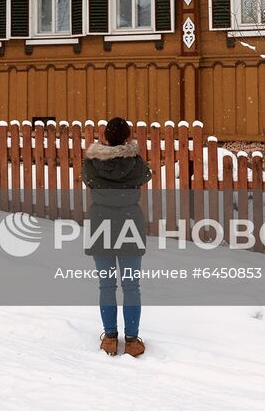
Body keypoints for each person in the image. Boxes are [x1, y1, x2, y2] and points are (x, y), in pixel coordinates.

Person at [82, 116, 153, 357]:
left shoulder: (91, 163)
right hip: (129, 224)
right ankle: (132, 341)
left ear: (105, 137)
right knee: (131, 286)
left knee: (107, 285)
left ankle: (110, 339)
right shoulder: (136, 163)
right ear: (127, 137)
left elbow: (87, 179)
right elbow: (146, 175)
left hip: (100, 223)